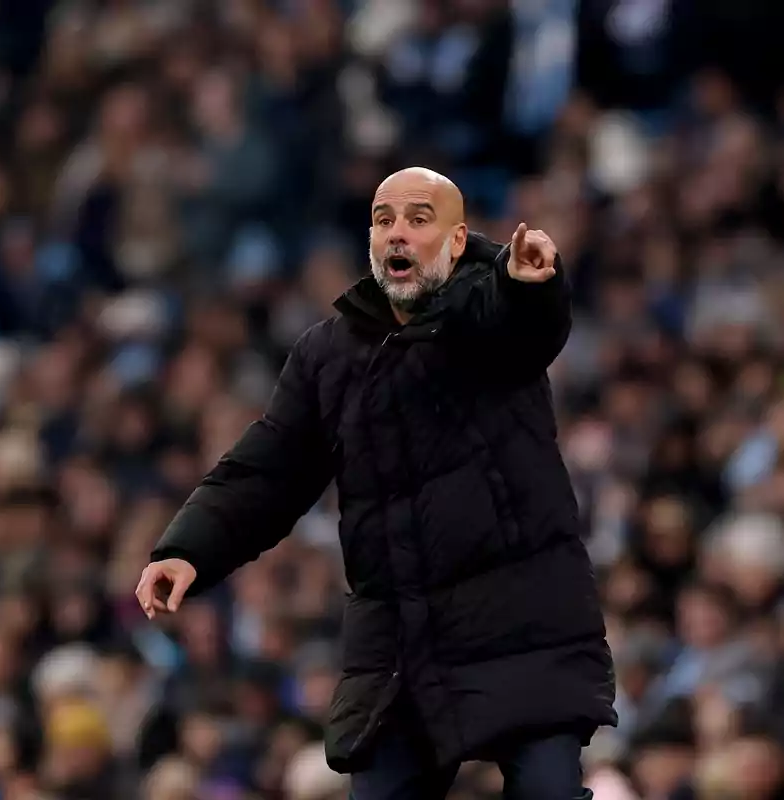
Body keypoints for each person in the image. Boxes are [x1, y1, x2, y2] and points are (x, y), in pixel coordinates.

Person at [136, 167, 616, 798]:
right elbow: (272, 464)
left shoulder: (489, 309)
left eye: (419, 219)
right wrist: (186, 548)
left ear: (457, 239)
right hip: (400, 652)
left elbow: (527, 325)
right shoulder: (328, 354)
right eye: (385, 219)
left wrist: (530, 285)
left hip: (523, 628)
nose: (398, 233)